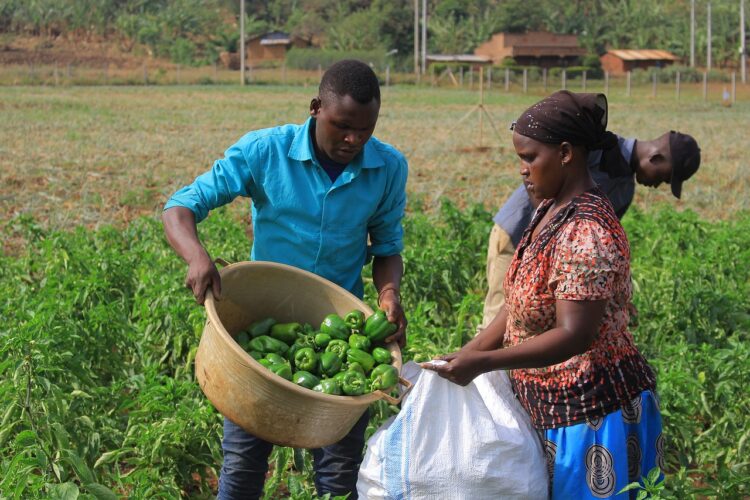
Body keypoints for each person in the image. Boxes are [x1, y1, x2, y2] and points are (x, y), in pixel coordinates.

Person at [161, 59, 408, 500]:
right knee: (242, 466)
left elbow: (387, 248)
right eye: (342, 126)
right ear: (316, 108)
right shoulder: (265, 151)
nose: (353, 140)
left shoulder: (388, 167)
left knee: (338, 475)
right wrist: (197, 256)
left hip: (341, 330)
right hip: (262, 332)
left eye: (365, 130)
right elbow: (181, 207)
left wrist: (388, 293)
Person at [423, 91, 664, 498]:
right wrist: (470, 352)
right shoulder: (549, 209)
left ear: (566, 153)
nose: (522, 170)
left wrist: (484, 363)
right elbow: (519, 306)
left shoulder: (587, 231)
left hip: (591, 417)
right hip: (550, 409)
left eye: (530, 157)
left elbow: (575, 334)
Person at [479, 126, 700, 329]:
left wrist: (617, 296)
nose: (657, 185)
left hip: (549, 259)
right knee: (496, 324)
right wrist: (549, 231)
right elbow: (532, 174)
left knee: (529, 326)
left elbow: (602, 246)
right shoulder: (595, 146)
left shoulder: (624, 190)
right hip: (517, 235)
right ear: (656, 157)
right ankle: (469, 369)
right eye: (663, 177)